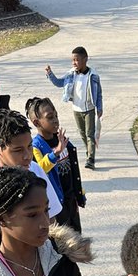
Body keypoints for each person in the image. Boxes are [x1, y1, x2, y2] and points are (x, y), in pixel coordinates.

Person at [0, 107, 63, 219]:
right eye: (18, 150)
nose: (27, 156)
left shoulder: (35, 170)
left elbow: (51, 217)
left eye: (29, 146)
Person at [26, 95, 86, 233]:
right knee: (64, 240)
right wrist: (55, 153)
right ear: (36, 123)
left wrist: (79, 193)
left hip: (70, 199)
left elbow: (73, 169)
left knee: (77, 234)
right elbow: (40, 169)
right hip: (57, 202)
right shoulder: (36, 146)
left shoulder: (60, 139)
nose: (55, 121)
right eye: (50, 117)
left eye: (56, 116)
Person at [45, 46, 103, 170]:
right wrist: (50, 74)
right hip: (77, 109)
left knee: (90, 134)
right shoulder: (71, 74)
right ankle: (89, 151)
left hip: (90, 109)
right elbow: (59, 83)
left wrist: (99, 107)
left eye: (76, 60)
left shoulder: (93, 75)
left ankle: (91, 159)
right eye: (73, 60)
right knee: (82, 133)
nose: (74, 62)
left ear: (85, 59)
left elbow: (98, 93)